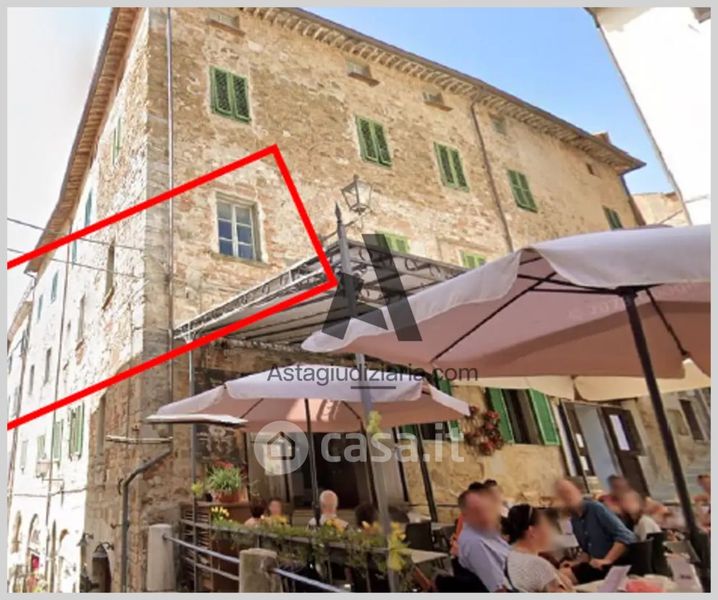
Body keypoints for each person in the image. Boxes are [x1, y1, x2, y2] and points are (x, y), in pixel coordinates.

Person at [554, 479, 635, 584]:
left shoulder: (596, 509)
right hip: (595, 565)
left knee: (562, 578)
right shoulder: (574, 520)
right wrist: (575, 562)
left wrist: (607, 560)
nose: (566, 497)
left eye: (568, 492)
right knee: (558, 575)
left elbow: (626, 536)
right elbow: (587, 552)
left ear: (578, 491)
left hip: (614, 564)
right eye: (561, 495)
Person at [503, 504, 574, 592]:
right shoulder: (537, 565)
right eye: (547, 524)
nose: (550, 530)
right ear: (532, 531)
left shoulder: (508, 557)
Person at [456, 486, 510, 591]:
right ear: (465, 516)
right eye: (477, 512)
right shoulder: (476, 543)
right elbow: (499, 589)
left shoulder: (487, 533)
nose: (485, 515)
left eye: (487, 509)